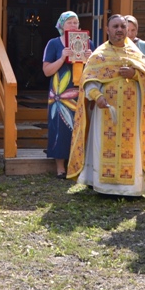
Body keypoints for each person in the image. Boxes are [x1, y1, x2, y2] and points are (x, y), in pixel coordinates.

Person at [66, 14, 145, 197]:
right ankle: (102, 186)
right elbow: (88, 79)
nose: (119, 30)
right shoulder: (99, 55)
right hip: (105, 112)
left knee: (131, 147)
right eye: (115, 26)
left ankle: (130, 189)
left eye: (122, 27)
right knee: (103, 146)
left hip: (131, 114)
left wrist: (134, 73)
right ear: (107, 30)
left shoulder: (136, 53)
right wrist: (97, 96)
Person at [41, 11, 92, 179]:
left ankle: (77, 165)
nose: (73, 25)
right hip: (60, 94)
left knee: (79, 127)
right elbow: (47, 71)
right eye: (69, 22)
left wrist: (90, 60)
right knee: (60, 127)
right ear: (61, 25)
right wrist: (62, 58)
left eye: (75, 22)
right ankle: (60, 168)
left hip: (80, 92)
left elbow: (96, 70)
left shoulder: (87, 43)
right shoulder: (54, 44)